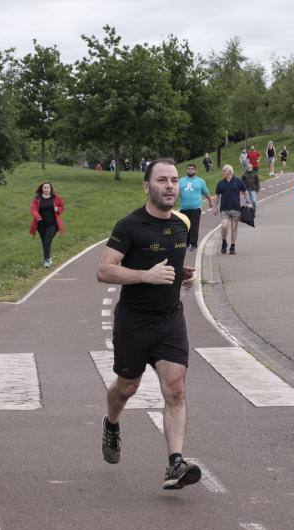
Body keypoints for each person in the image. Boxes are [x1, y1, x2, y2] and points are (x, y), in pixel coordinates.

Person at [96, 158, 203, 491]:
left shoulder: (183, 223)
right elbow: (104, 270)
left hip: (170, 319)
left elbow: (171, 262)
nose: (170, 185)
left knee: (176, 389)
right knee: (127, 387)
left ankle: (175, 464)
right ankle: (111, 424)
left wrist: (182, 276)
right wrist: (146, 276)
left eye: (173, 180)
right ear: (147, 186)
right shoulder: (129, 226)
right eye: (162, 180)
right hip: (134, 321)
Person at [214, 164, 251, 255]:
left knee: (234, 228)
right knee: (224, 226)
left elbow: (245, 191)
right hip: (224, 209)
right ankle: (224, 242)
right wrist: (215, 207)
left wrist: (248, 201)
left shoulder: (238, 181)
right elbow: (217, 195)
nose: (222, 172)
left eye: (223, 171)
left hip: (236, 208)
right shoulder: (220, 183)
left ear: (229, 172)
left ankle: (232, 246)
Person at [29, 181, 65, 268]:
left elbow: (62, 206)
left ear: (50, 189)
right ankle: (48, 258)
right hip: (41, 225)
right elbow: (33, 210)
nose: (46, 189)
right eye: (44, 187)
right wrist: (38, 218)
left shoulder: (55, 198)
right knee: (44, 243)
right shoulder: (37, 199)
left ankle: (46, 261)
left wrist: (58, 209)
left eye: (47, 187)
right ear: (42, 189)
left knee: (47, 241)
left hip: (53, 224)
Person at [179, 163, 214, 252]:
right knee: (184, 227)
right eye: (188, 169)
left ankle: (193, 244)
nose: (190, 170)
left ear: (195, 171)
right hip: (184, 208)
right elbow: (176, 192)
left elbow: (206, 193)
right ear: (186, 170)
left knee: (194, 226)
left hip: (196, 208)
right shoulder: (181, 181)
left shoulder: (200, 181)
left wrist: (210, 202)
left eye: (192, 169)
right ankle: (185, 243)